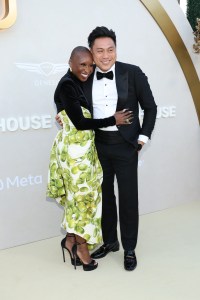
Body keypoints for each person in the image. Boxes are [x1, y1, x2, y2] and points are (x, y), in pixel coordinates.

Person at [47, 46, 133, 271]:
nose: (87, 69)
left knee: (81, 198)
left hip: (83, 150)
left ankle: (70, 240)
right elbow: (81, 123)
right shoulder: (67, 84)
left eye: (90, 65)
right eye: (82, 64)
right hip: (74, 155)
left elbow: (81, 112)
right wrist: (112, 120)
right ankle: (81, 247)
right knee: (81, 200)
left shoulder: (79, 81)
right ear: (70, 62)